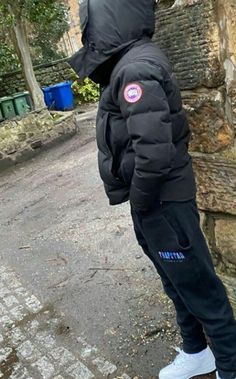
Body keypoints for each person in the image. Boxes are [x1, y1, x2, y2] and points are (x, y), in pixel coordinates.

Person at [69, 1, 236, 378]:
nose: (87, 35)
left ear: (108, 19)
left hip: (162, 201)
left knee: (199, 287)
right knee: (175, 282)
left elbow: (155, 152)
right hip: (152, 203)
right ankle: (197, 353)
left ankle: (229, 365)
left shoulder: (135, 69)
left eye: (90, 25)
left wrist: (142, 202)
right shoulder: (128, 64)